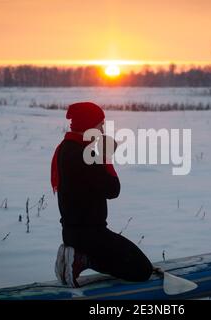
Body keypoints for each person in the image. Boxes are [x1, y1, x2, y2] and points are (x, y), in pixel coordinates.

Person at [51, 102, 153, 287]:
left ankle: (75, 256)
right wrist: (105, 157)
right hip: (91, 236)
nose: (103, 128)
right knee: (143, 270)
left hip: (73, 232)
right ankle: (81, 260)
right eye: (100, 124)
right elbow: (113, 190)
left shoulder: (66, 148)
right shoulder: (84, 154)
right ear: (90, 125)